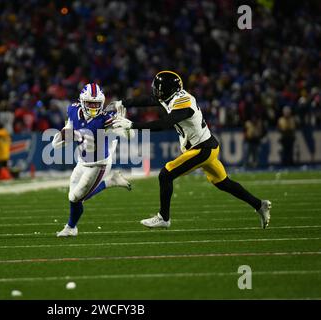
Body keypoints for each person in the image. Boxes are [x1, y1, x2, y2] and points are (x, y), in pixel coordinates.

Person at [110, 71, 272, 229]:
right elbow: (150, 100)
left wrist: (133, 125)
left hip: (203, 149)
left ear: (168, 91)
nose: (156, 93)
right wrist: (123, 102)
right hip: (206, 146)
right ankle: (260, 204)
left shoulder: (184, 103)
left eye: (159, 90)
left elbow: (164, 124)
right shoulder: (171, 97)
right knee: (224, 183)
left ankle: (163, 218)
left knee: (166, 174)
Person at [53, 83, 132, 237]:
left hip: (99, 164)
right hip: (82, 161)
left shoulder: (105, 118)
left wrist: (126, 126)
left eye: (96, 104)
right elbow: (69, 128)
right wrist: (63, 136)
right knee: (75, 197)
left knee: (75, 197)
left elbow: (128, 136)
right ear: (82, 101)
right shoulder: (73, 110)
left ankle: (71, 228)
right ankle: (111, 181)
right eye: (90, 103)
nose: (94, 107)